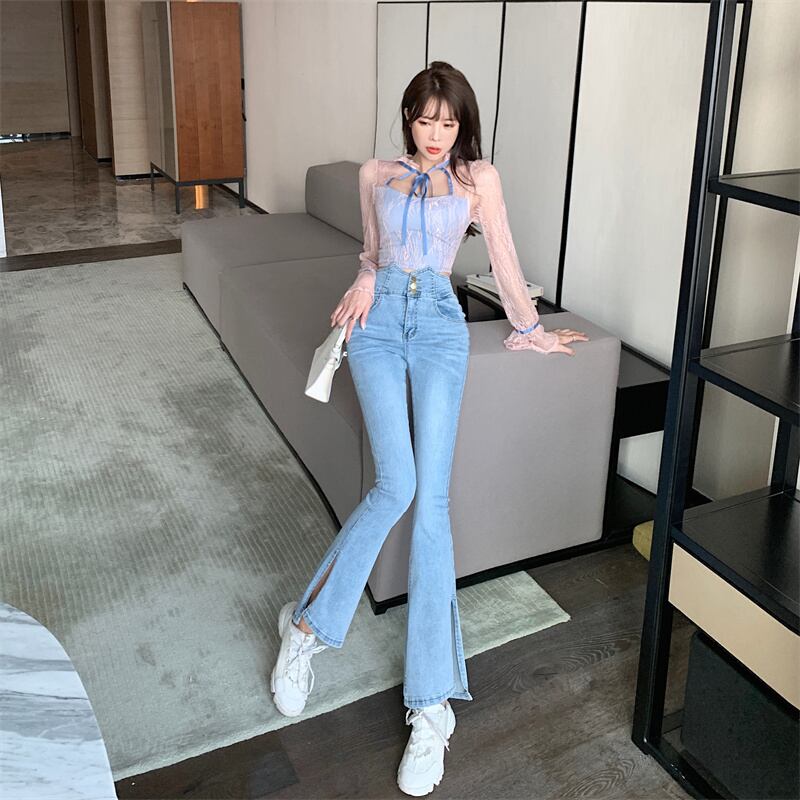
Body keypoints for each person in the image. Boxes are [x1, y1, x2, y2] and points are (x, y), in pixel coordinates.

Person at [270, 61, 588, 796]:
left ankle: (432, 704)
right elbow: (371, 254)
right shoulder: (375, 174)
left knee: (433, 503)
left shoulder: (479, 180)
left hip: (441, 327)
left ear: (462, 123)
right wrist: (362, 279)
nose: (437, 134)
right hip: (378, 325)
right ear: (408, 118)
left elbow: (502, 255)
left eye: (449, 121)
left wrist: (532, 330)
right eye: (425, 119)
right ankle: (306, 630)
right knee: (397, 485)